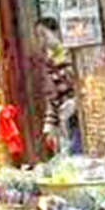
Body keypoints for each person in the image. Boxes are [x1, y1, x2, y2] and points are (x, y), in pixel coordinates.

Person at [35, 16, 81, 155]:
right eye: (39, 37)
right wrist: (49, 128)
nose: (42, 41)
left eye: (43, 34)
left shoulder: (73, 54)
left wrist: (77, 101)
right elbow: (53, 97)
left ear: (55, 32)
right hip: (66, 119)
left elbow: (84, 85)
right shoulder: (50, 63)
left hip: (80, 117)